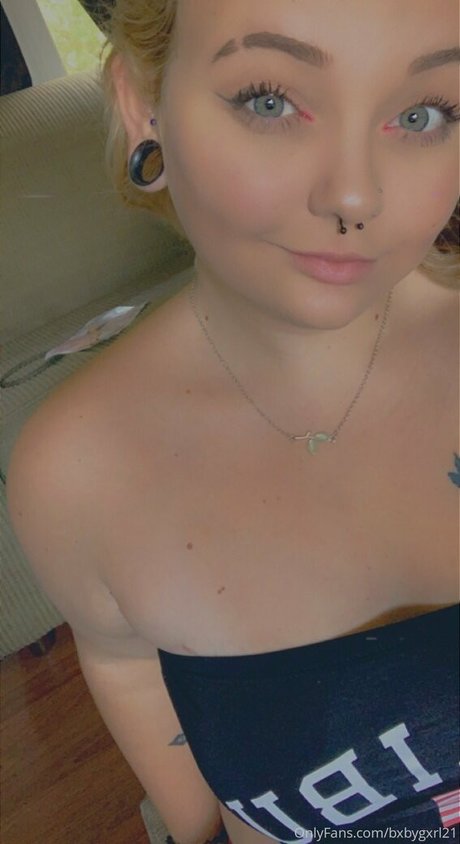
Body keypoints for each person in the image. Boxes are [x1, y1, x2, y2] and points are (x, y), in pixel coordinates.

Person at [6, 0, 460, 841]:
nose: (354, 193)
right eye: (269, 100)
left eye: (423, 114)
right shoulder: (76, 474)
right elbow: (126, 663)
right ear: (144, 103)